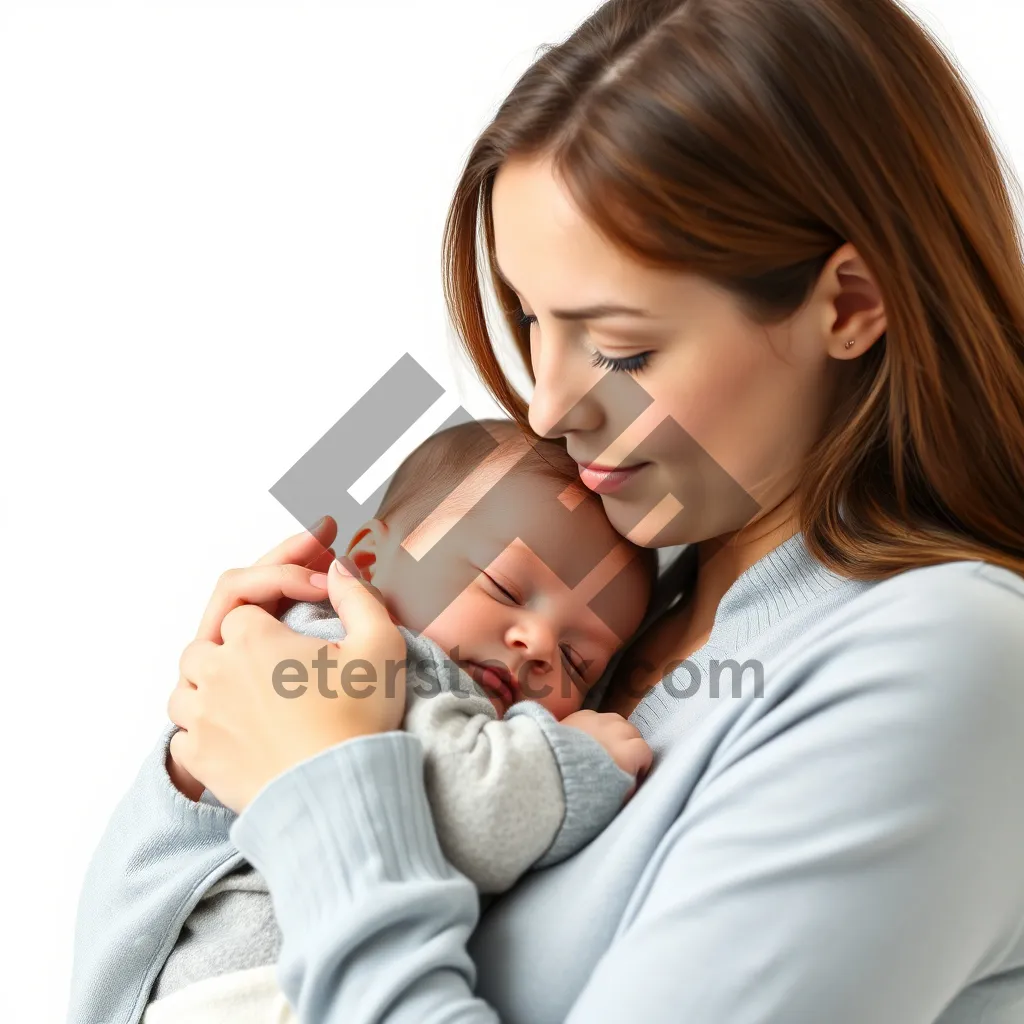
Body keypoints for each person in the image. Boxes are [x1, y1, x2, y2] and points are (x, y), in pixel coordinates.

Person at [70, 0, 1024, 1021]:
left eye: (622, 349)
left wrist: (319, 787)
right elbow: (117, 991)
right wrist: (202, 756)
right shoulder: (623, 597)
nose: (546, 403)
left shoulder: (944, 662)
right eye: (530, 316)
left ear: (849, 303)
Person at [114, 417, 657, 1022]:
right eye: (504, 588)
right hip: (247, 990)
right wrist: (574, 759)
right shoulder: (365, 663)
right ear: (368, 560)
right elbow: (473, 816)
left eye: (576, 662)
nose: (536, 643)